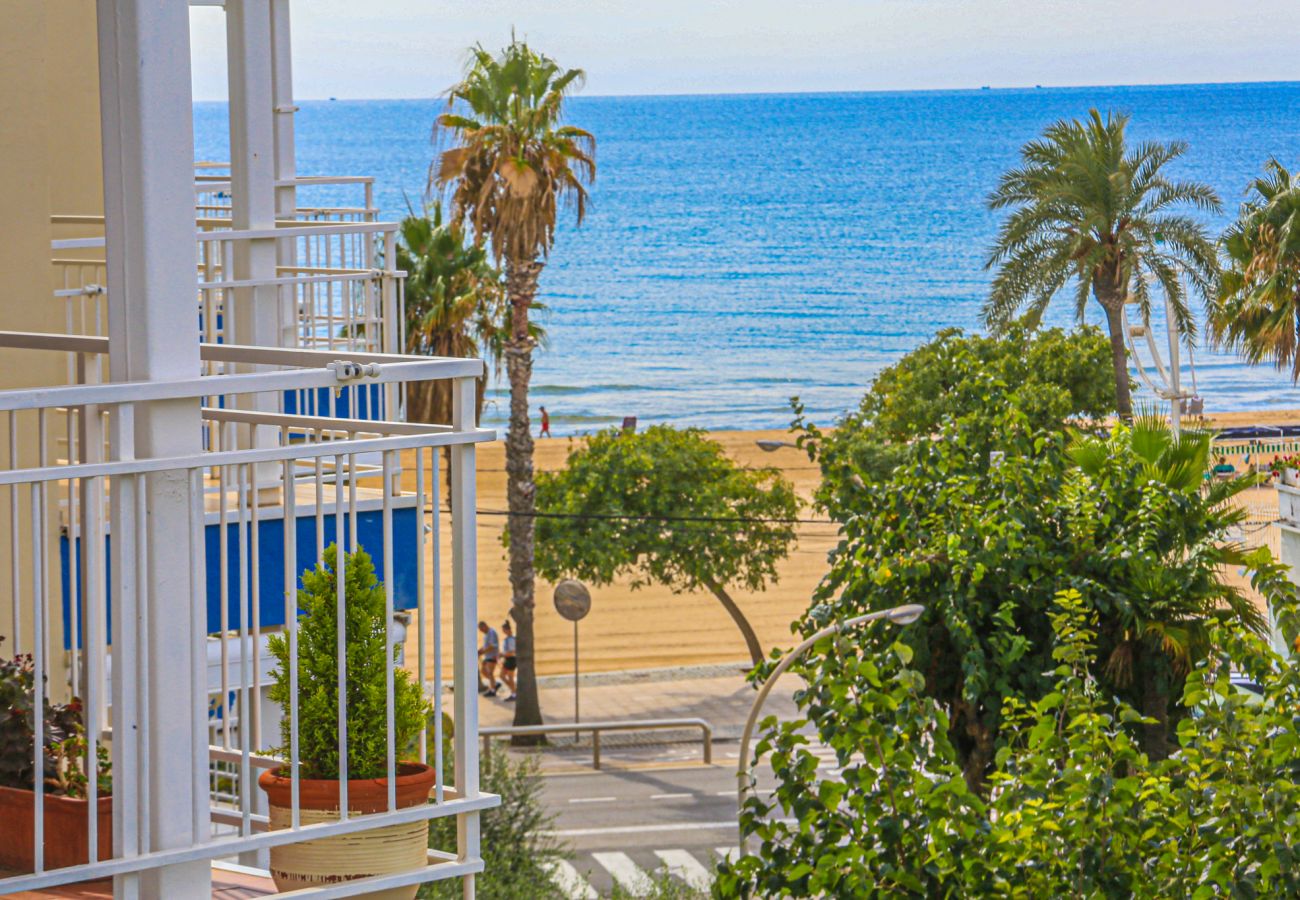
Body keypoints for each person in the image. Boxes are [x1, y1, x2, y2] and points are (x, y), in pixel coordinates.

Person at [477, 620, 500, 697]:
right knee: (483, 671)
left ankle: (492, 690)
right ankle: (495, 684)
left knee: (490, 673)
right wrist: (480, 650)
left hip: (492, 655)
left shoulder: (491, 632)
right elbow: (486, 646)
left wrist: (483, 652)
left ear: (484, 626)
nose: (481, 631)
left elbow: (492, 646)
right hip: (488, 656)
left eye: (481, 629)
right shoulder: (486, 634)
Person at [500, 620, 517, 701]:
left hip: (512, 659)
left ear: (507, 629)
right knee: (502, 676)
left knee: (510, 677)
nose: (503, 632)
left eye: (503, 630)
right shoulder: (507, 639)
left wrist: (503, 654)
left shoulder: (512, 639)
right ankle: (514, 690)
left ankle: (514, 693)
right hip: (508, 659)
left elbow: (513, 651)